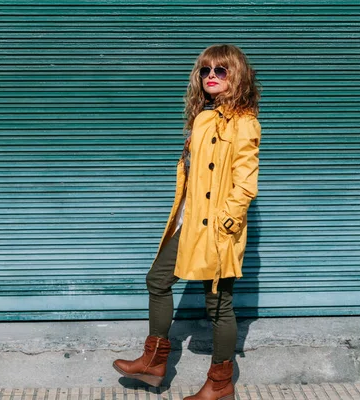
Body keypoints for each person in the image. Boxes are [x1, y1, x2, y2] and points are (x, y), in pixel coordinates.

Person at [113, 44, 261, 400]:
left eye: (221, 70)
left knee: (218, 304)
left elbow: (246, 182)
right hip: (189, 221)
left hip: (218, 228)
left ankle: (220, 384)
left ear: (236, 76)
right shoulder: (203, 117)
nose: (211, 75)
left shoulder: (245, 123)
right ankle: (154, 362)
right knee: (157, 279)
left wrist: (227, 224)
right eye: (206, 70)